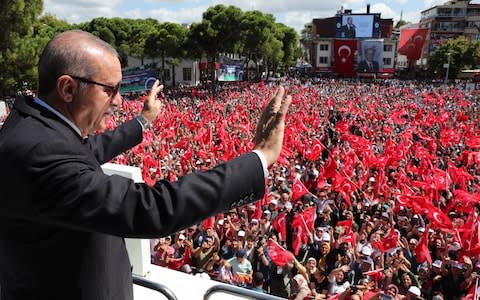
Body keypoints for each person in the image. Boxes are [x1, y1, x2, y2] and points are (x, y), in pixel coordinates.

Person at [0, 30, 291, 300]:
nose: (119, 102)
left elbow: (88, 150)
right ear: (67, 88)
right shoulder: (39, 152)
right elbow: (147, 208)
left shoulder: (34, 127)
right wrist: (260, 157)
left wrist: (143, 122)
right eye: (110, 90)